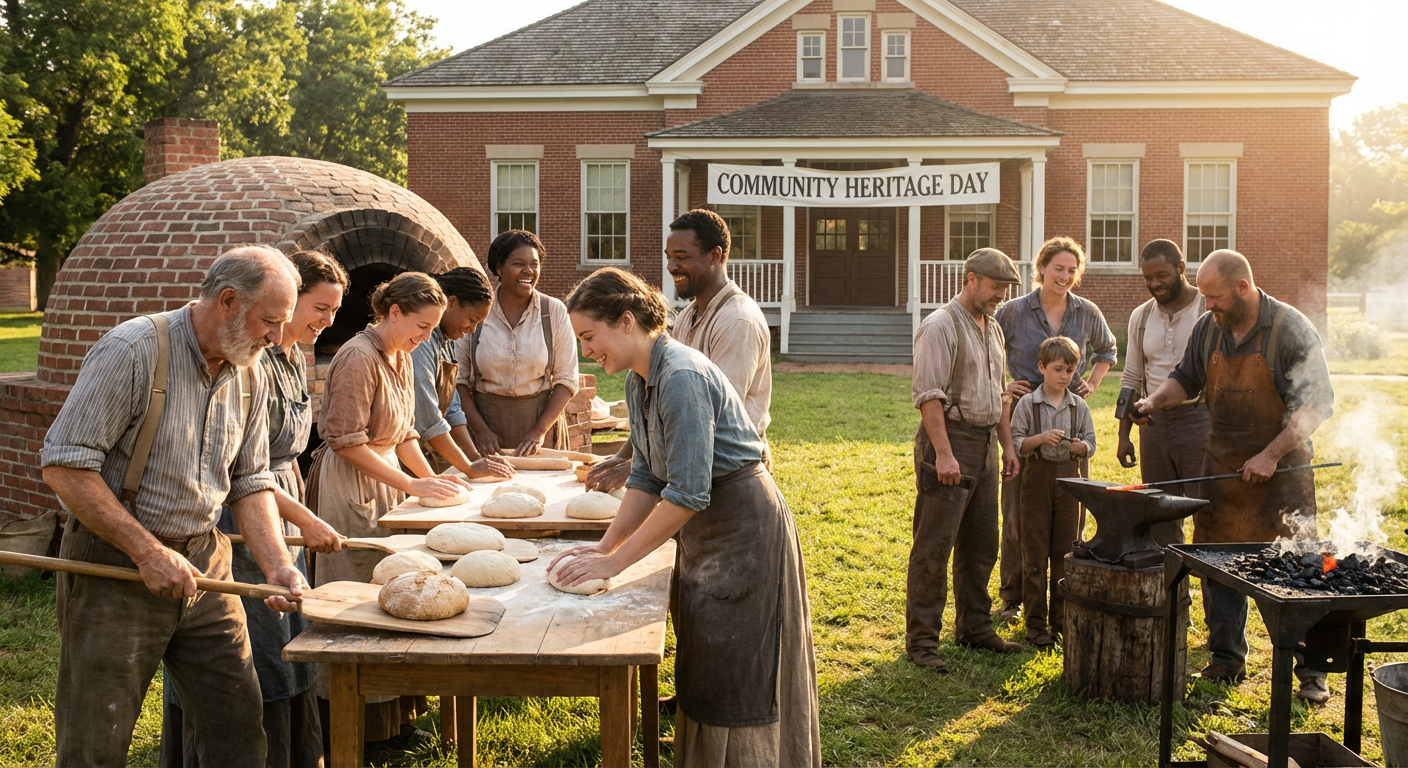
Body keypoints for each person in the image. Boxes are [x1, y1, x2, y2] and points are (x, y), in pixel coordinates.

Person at [41, 245, 307, 767]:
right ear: (228, 301)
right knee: (97, 734)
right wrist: (146, 551)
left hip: (207, 563)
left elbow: (250, 481)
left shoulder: (250, 370)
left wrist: (277, 565)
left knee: (236, 725)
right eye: (270, 321)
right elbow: (65, 466)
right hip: (114, 566)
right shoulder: (134, 350)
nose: (277, 337)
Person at [551, 267, 820, 767]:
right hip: (705, 529)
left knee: (739, 665)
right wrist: (603, 548)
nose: (588, 350)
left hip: (743, 528)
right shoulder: (639, 379)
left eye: (590, 337)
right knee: (705, 657)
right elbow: (648, 479)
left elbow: (687, 493)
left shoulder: (680, 376)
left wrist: (614, 566)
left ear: (626, 321)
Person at [159, 250, 350, 768]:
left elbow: (270, 462)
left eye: (335, 311)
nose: (325, 321)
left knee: (287, 640)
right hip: (236, 515)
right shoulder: (245, 356)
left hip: (275, 506)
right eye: (318, 308)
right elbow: (241, 473)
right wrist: (303, 517)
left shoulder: (290, 359)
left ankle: (289, 754)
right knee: (246, 651)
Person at [1134, 249, 1335, 704]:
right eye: (1204, 298)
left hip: (1281, 473)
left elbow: (1317, 403)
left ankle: (1309, 670)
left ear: (1243, 288)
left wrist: (1270, 455)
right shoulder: (1210, 328)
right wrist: (1154, 402)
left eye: (1215, 297)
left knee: (1294, 567)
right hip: (1222, 469)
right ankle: (1226, 659)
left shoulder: (1290, 329)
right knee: (1219, 563)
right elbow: (1185, 379)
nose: (1207, 307)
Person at [306, 271, 471, 740]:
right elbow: (345, 441)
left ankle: (396, 717)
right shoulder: (359, 357)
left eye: (431, 329)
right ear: (392, 311)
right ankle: (352, 729)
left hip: (384, 481)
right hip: (349, 488)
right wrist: (411, 485)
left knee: (396, 594)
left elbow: (403, 435)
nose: (425, 338)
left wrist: (431, 480)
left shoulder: (399, 354)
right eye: (420, 326)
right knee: (356, 600)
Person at [587, 208, 772, 492]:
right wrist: (622, 458)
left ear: (715, 255)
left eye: (682, 257)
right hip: (692, 461)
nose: (671, 266)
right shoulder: (688, 316)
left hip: (730, 471)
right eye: (669, 257)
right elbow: (662, 403)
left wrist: (639, 468)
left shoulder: (737, 320)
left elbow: (712, 415)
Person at [907, 248, 1023, 673]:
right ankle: (922, 641)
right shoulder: (940, 325)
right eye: (995, 287)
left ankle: (974, 627)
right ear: (971, 279)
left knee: (981, 544)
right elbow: (929, 397)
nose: (1000, 296)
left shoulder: (992, 328)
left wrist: (1007, 447)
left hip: (986, 442)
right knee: (934, 546)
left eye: (1005, 289)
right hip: (950, 440)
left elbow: (1000, 395)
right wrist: (943, 454)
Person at [992, 236, 1118, 625]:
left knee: (1068, 513)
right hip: (1026, 416)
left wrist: (1091, 385)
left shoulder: (1086, 311)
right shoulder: (1013, 310)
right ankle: (1014, 598)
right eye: (1057, 268)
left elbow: (1107, 350)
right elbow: (989, 349)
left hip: (1067, 418)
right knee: (1017, 513)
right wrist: (1003, 386)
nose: (1064, 276)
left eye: (1071, 270)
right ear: (1042, 267)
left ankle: (1065, 597)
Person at [1117, 239, 1209, 545]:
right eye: (1147, 278)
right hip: (1154, 427)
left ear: (1181, 268)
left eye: (1162, 276)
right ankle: (1171, 592)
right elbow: (1130, 376)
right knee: (1160, 517)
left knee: (1206, 513)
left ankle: (1213, 590)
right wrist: (1123, 435)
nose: (1154, 284)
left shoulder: (1206, 309)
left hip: (1199, 421)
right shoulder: (1140, 317)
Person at [457, 230, 579, 456]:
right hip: (486, 426)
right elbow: (459, 381)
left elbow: (567, 379)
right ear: (499, 268)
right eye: (519, 263)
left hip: (542, 427)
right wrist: (480, 430)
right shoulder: (478, 312)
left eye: (535, 264)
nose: (529, 271)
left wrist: (538, 432)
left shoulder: (553, 311)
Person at [1009, 336, 1096, 650]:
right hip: (1036, 480)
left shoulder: (1079, 406)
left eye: (1070, 371)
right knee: (1034, 554)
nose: (1064, 376)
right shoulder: (1028, 405)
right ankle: (1035, 625)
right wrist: (1040, 438)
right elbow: (1016, 442)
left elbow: (1091, 444)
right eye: (1058, 369)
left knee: (1065, 553)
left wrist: (1079, 447)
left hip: (1068, 483)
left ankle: (1061, 623)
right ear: (1041, 367)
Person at [411, 267, 515, 479]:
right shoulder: (421, 343)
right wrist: (468, 467)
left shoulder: (446, 341)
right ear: (451, 303)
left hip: (421, 454)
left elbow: (452, 407)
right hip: (401, 457)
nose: (472, 330)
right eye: (472, 319)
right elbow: (428, 419)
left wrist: (474, 458)